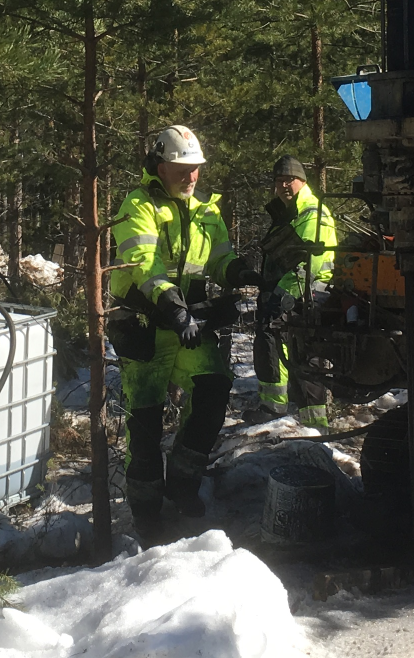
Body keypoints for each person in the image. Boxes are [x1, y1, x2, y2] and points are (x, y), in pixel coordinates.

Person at [108, 125, 263, 540]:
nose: (191, 176)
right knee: (144, 423)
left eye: (195, 168)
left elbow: (218, 258)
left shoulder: (207, 210)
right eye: (182, 168)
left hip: (186, 322)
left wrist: (238, 271)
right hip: (142, 322)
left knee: (213, 391)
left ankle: (183, 484)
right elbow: (143, 262)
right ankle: (145, 509)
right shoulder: (138, 205)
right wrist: (170, 306)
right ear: (160, 166)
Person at [246, 155, 338, 431]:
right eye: (279, 180)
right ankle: (281, 409)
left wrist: (282, 297)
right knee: (277, 343)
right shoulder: (290, 212)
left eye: (290, 180)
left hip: (308, 292)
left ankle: (307, 420)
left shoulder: (311, 212)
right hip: (290, 289)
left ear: (302, 181)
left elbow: (311, 260)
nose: (284, 185)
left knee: (299, 348)